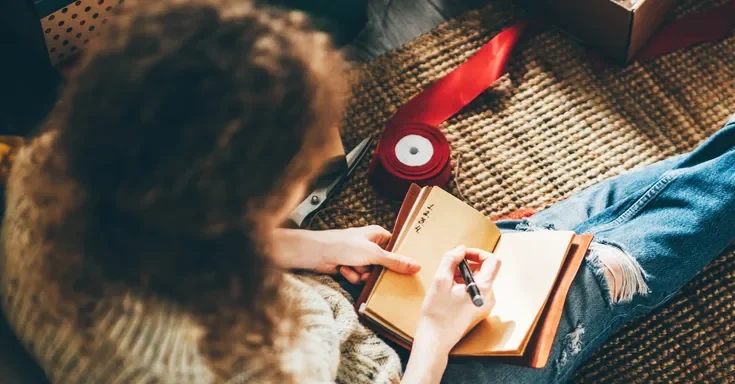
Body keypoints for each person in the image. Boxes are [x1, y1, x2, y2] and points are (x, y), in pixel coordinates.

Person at [0, 0, 733, 383]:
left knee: (568, 235)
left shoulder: (50, 171)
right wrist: (439, 339)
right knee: (616, 259)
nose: (325, 160)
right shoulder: (237, 367)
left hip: (332, 330)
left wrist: (311, 245)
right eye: (300, 179)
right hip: (414, 371)